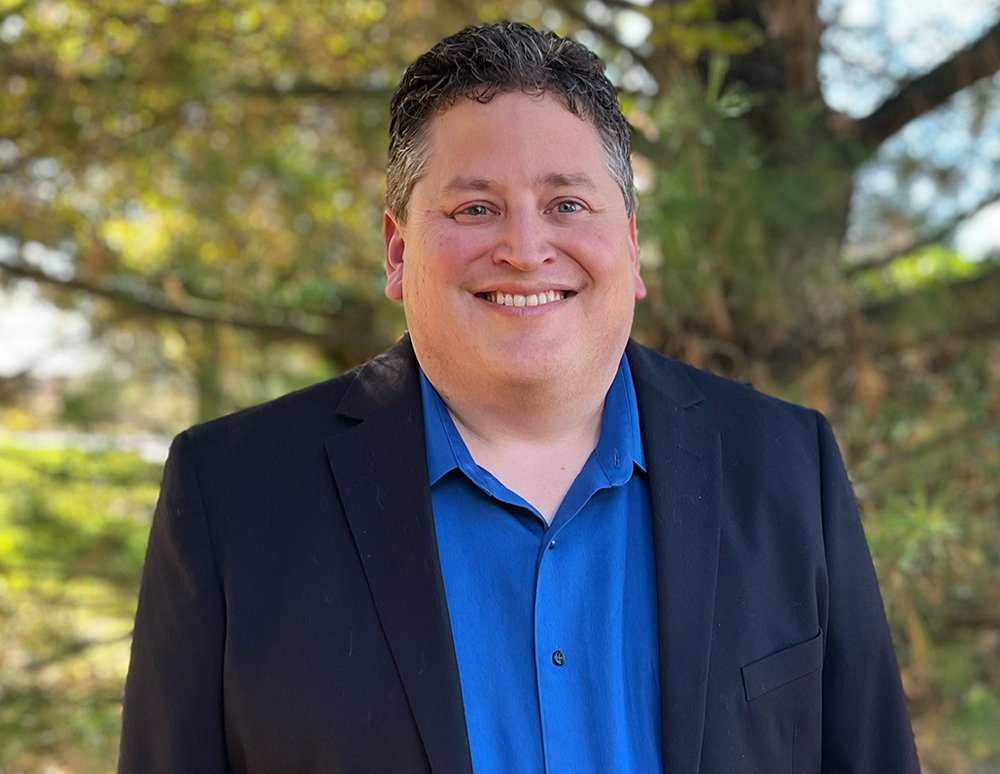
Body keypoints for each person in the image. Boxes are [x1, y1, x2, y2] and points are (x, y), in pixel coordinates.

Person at [118, 21, 920, 774]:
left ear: (631, 247)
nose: (526, 250)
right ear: (397, 253)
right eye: (476, 208)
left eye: (567, 204)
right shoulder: (232, 496)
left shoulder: (789, 466)